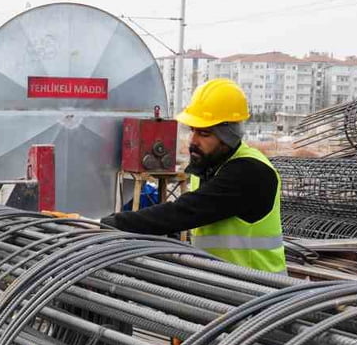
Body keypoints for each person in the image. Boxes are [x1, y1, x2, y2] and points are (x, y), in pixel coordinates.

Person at [100, 78, 285, 273]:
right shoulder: (209, 166)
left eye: (204, 134)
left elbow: (183, 212)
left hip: (259, 290)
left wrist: (107, 225)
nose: (193, 141)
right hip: (223, 285)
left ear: (228, 136)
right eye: (193, 131)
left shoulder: (249, 172)